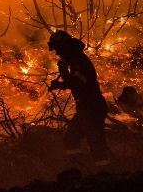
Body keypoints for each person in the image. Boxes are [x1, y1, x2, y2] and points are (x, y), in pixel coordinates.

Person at [47, 30, 112, 165]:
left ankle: (100, 175)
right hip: (88, 107)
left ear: (65, 46)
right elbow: (77, 82)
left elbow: (78, 82)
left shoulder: (79, 60)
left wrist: (63, 76)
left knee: (89, 141)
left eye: (58, 49)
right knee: (79, 139)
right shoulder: (76, 60)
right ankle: (86, 171)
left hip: (91, 107)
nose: (57, 53)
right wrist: (61, 82)